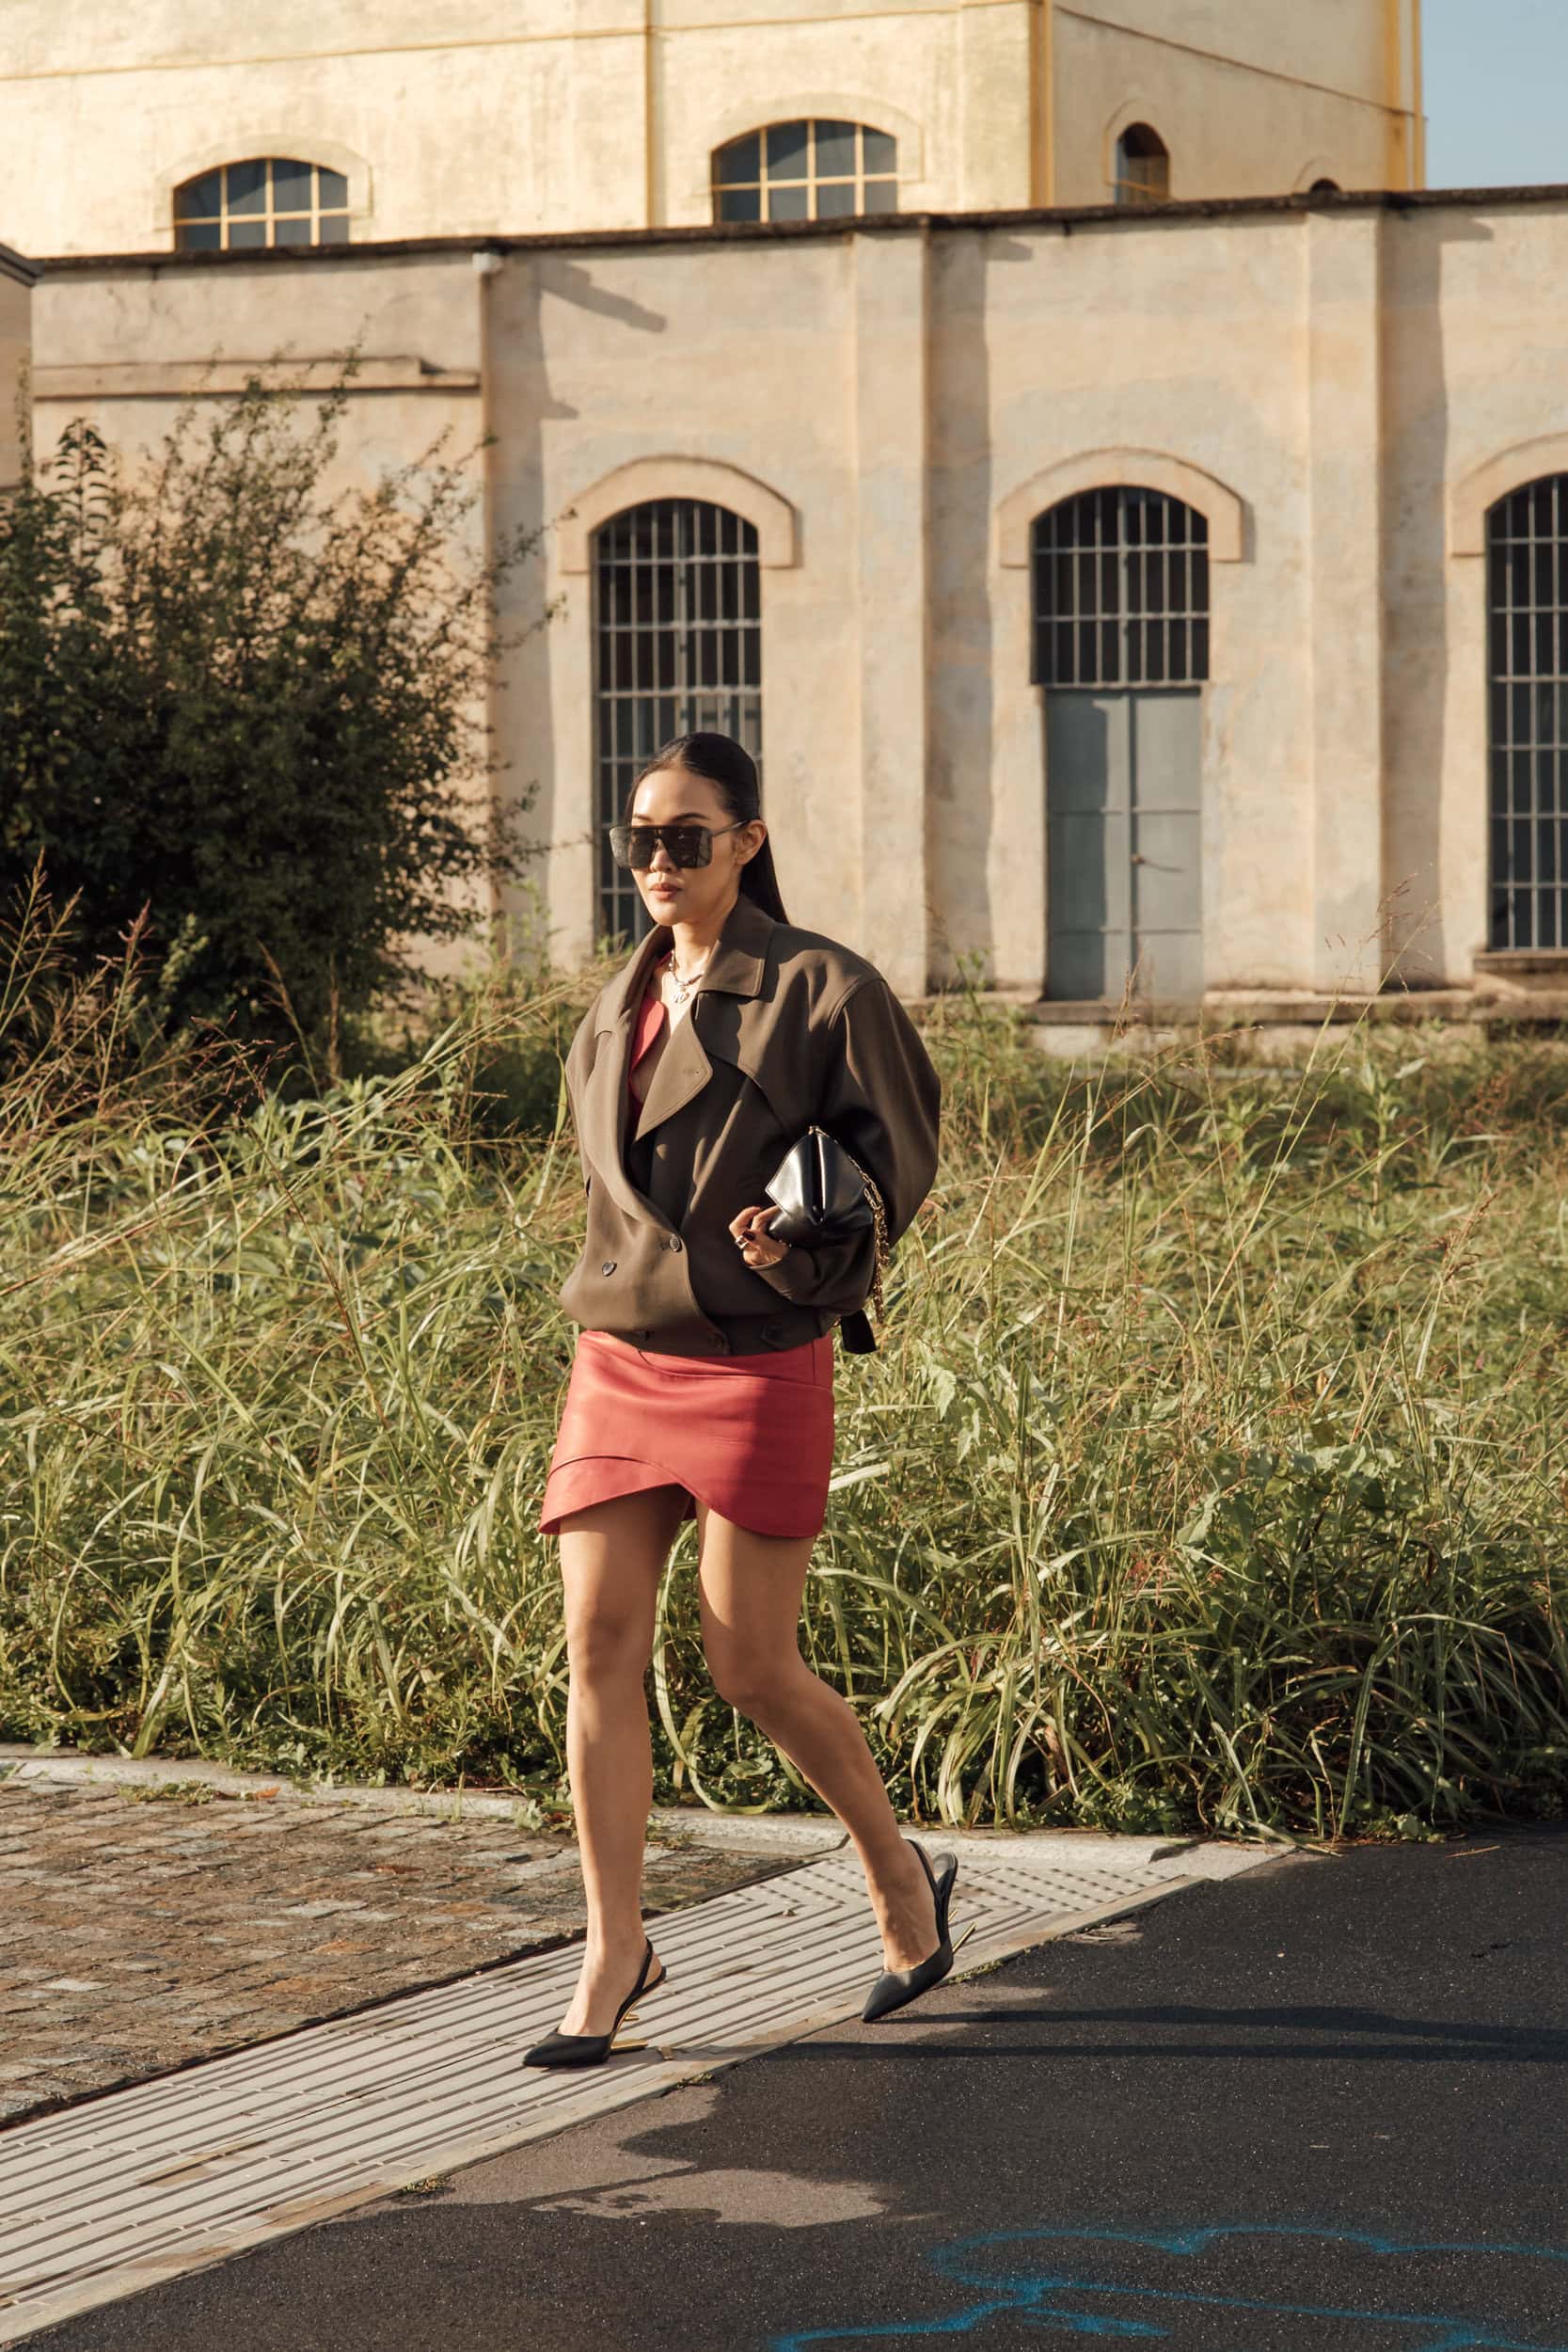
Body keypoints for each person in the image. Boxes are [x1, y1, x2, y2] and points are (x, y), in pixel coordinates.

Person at [526, 730, 951, 2069]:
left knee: (749, 1667)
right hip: (621, 1354)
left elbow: (898, 1163)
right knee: (599, 1644)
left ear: (747, 841)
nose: (658, 861)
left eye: (687, 837)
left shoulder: (823, 987)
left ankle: (897, 1877)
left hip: (760, 1354)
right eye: (640, 839)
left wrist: (810, 1240)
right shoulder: (617, 999)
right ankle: (615, 1948)